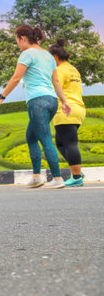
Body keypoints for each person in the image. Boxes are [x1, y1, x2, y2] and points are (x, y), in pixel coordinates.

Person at [0, 25, 71, 189]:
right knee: (31, 136)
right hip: (51, 100)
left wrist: (1, 98)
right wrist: (64, 101)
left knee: (45, 138)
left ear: (22, 38)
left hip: (37, 102)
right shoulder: (48, 56)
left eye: (17, 40)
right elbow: (55, 81)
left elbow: (15, 78)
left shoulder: (26, 54)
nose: (17, 44)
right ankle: (36, 176)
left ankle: (57, 178)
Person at [48, 38, 86, 187]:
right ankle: (77, 171)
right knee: (60, 143)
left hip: (65, 109)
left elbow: (54, 89)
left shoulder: (58, 70)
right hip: (78, 108)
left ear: (55, 57)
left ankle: (76, 176)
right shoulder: (73, 69)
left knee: (70, 143)